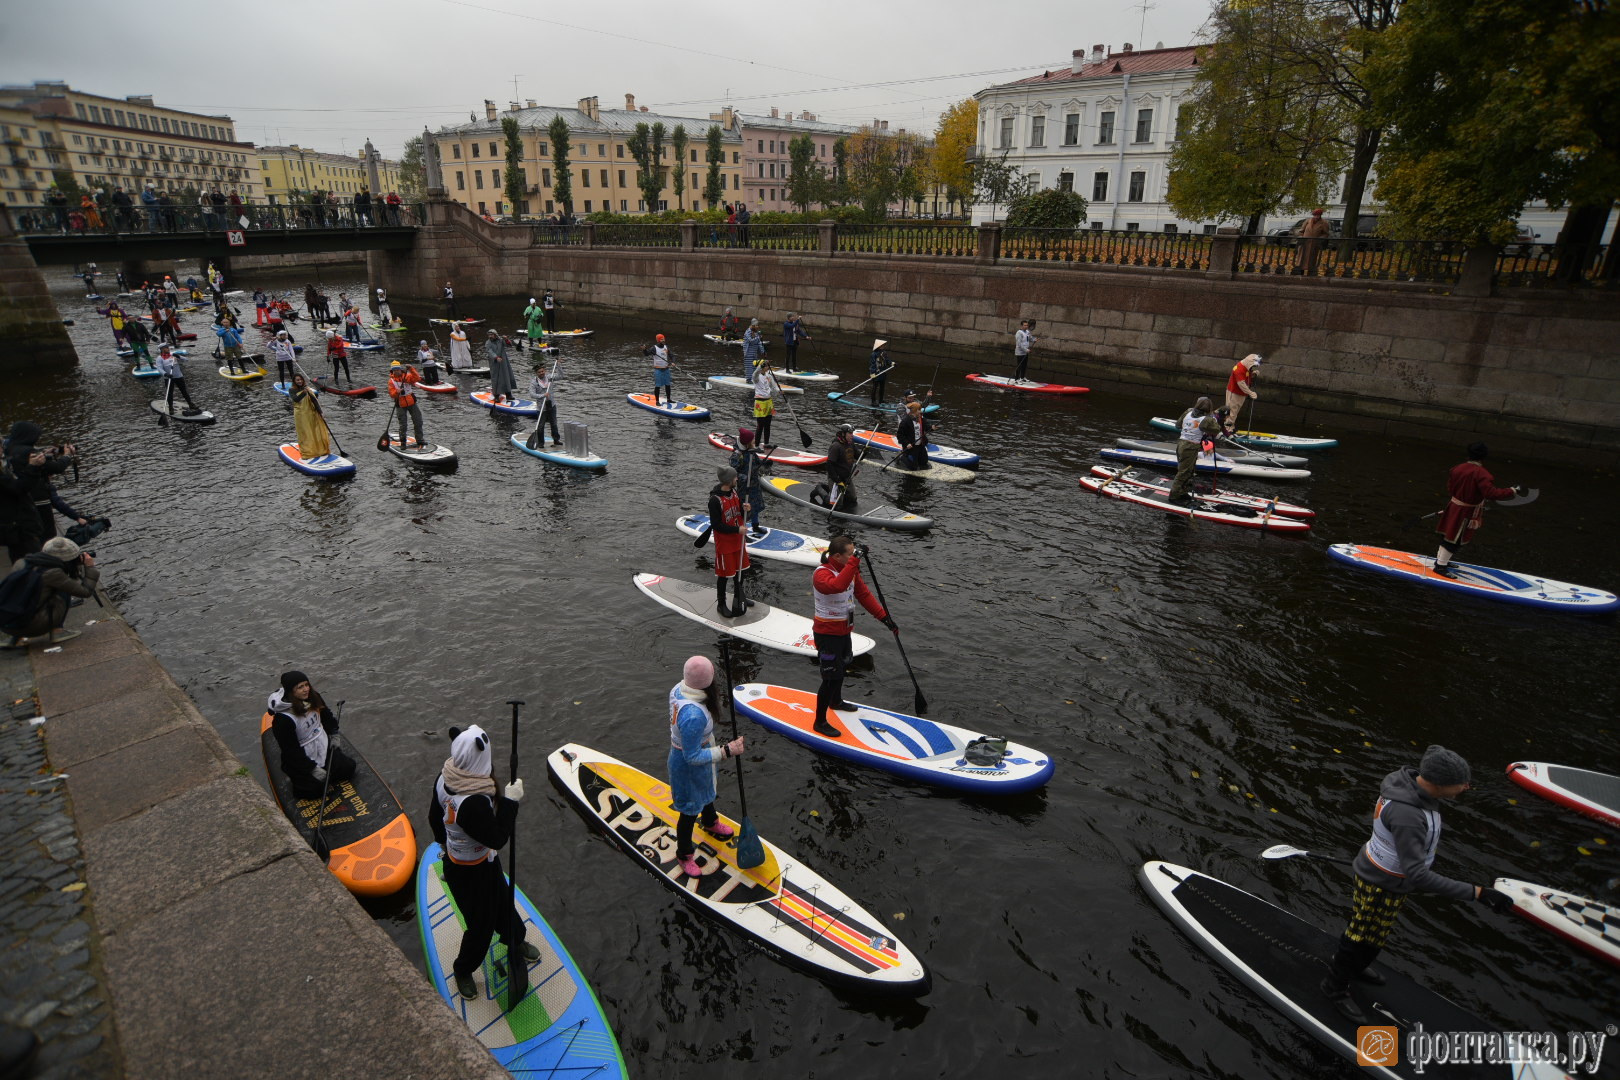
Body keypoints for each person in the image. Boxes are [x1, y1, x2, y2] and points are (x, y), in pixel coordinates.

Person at [1319, 745, 1515, 1020]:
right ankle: (1334, 986)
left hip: (1388, 879)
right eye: (1461, 783)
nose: (1466, 787)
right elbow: (1418, 876)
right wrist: (1478, 893)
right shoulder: (1409, 815)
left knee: (1376, 936)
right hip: (1380, 883)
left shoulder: (1409, 786)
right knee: (1361, 934)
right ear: (1438, 784)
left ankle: (1356, 966)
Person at [427, 725, 536, 1000]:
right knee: (480, 925)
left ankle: (514, 939)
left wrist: (444, 842)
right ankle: (463, 970)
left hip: (481, 862)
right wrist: (511, 802)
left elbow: (434, 817)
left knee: (502, 901)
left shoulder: (445, 776)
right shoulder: (472, 803)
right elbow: (498, 837)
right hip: (468, 872)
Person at [666, 655, 745, 879]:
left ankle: (710, 822)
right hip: (686, 764)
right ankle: (684, 854)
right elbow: (692, 757)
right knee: (689, 811)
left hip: (699, 751)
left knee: (707, 790)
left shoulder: (679, 688)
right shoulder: (692, 716)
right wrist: (727, 750)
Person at [810, 536, 893, 737]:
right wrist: (855, 563)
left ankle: (835, 701)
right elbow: (837, 586)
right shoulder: (821, 574)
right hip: (827, 634)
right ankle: (819, 722)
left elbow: (864, 595)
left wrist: (885, 618)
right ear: (837, 556)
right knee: (831, 677)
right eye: (850, 553)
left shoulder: (851, 572)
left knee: (844, 665)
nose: (854, 556)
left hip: (844, 631)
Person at [1433, 443, 1523, 579]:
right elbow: (1492, 494)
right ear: (1483, 457)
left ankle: (1441, 561)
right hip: (1465, 512)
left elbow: (1451, 489)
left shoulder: (1457, 468)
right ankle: (1440, 567)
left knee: (1448, 534)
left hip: (1453, 506)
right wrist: (1512, 490)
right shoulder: (1482, 474)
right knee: (1454, 539)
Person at [266, 671, 354, 798]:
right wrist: (312, 768)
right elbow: (291, 751)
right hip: (302, 756)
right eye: (300, 687)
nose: (305, 689)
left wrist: (334, 733)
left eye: (306, 685)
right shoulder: (283, 720)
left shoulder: (314, 697)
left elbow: (326, 716)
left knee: (348, 769)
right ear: (291, 691)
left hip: (322, 745)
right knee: (314, 791)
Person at [2, 537, 99, 649]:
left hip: (6, 623)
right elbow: (85, 592)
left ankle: (15, 638)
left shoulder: (22, 562)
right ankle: (58, 631)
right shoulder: (53, 573)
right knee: (63, 589)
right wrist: (90, 567)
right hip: (31, 626)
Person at [4, 425, 79, 546]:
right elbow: (56, 467)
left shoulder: (11, 450)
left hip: (20, 502)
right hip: (38, 498)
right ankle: (46, 557)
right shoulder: (28, 452)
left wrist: (45, 454)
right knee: (47, 534)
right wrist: (67, 455)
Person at [708, 466, 752, 618]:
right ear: (728, 480)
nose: (737, 479)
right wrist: (736, 530)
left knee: (741, 571)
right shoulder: (714, 501)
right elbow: (716, 525)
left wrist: (747, 509)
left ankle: (739, 595)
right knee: (724, 575)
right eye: (734, 478)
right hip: (725, 544)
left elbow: (740, 511)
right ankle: (721, 604)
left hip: (738, 541)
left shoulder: (734, 492)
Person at [1167, 396, 1223, 504]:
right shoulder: (1207, 419)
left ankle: (1183, 492)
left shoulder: (1188, 411)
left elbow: (1178, 425)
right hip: (1190, 447)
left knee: (1189, 470)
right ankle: (1174, 496)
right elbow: (1216, 429)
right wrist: (1212, 418)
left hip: (1181, 444)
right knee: (1184, 472)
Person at [730, 429, 767, 537]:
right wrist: (743, 477)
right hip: (744, 487)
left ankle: (755, 526)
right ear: (747, 443)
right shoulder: (737, 455)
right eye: (753, 439)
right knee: (745, 510)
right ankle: (742, 532)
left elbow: (756, 462)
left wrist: (764, 463)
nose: (755, 440)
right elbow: (732, 472)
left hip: (754, 484)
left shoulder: (752, 451)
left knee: (755, 506)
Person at [289, 374, 331, 458]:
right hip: (301, 414)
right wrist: (303, 393)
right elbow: (295, 399)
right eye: (297, 380)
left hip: (310, 412)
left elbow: (314, 401)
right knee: (305, 432)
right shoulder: (292, 390)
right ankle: (307, 451)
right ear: (294, 381)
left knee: (314, 431)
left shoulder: (307, 388)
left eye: (301, 379)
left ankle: (318, 450)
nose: (299, 381)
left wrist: (320, 412)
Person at [387, 361, 425, 448]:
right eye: (394, 370)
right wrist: (397, 392)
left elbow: (417, 378)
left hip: (411, 402)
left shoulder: (406, 376)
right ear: (392, 371)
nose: (396, 371)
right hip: (400, 404)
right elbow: (392, 394)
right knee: (403, 424)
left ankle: (420, 440)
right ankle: (403, 442)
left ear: (400, 369)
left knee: (418, 421)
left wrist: (411, 368)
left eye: (398, 369)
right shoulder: (391, 381)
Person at [157, 346, 202, 415]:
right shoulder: (159, 358)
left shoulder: (173, 355)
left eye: (168, 347)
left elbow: (186, 360)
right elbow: (159, 368)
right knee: (170, 393)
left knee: (184, 391)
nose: (168, 349)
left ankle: (191, 404)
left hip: (179, 376)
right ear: (162, 349)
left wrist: (179, 357)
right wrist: (165, 374)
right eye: (166, 348)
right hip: (169, 378)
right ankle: (171, 408)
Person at [825, 424, 861, 510]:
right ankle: (820, 490)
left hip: (847, 478)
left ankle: (839, 494)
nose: (852, 435)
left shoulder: (851, 443)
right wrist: (837, 481)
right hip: (836, 478)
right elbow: (829, 465)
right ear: (843, 434)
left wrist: (865, 451)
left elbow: (858, 456)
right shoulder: (836, 446)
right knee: (838, 505)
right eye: (850, 433)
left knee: (853, 499)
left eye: (852, 433)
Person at [526, 363, 561, 447]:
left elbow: (561, 376)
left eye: (542, 371)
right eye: (539, 372)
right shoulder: (534, 382)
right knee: (541, 426)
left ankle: (556, 440)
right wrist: (543, 395)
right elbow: (532, 394)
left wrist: (559, 366)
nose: (541, 373)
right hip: (541, 407)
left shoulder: (549, 377)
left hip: (551, 405)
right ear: (536, 373)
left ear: (544, 371)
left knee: (554, 424)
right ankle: (541, 443)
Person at [1224, 353, 1261, 433]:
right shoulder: (1239, 369)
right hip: (1234, 392)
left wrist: (1253, 374)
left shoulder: (1246, 367)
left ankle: (1231, 427)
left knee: (1235, 411)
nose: (1252, 368)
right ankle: (1227, 429)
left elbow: (1246, 376)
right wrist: (1251, 393)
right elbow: (1241, 383)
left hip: (1241, 393)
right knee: (1231, 411)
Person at [750, 355, 779, 447]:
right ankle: (757, 445)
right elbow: (755, 373)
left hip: (769, 402)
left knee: (768, 424)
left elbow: (774, 387)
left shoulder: (768, 375)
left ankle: (766, 443)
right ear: (762, 367)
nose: (767, 367)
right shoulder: (756, 377)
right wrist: (762, 364)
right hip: (760, 402)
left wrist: (778, 392)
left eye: (767, 365)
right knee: (760, 426)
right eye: (766, 365)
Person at [897, 400, 931, 471]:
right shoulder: (905, 421)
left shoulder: (921, 419)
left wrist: (932, 428)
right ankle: (903, 457)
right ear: (914, 411)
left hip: (920, 445)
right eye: (919, 410)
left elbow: (928, 427)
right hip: (911, 446)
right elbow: (900, 435)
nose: (920, 411)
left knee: (924, 463)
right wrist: (906, 443)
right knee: (913, 467)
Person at [1298, 208, 1331, 276]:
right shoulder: (1308, 221)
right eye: (1315, 215)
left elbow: (1326, 234)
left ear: (1320, 215)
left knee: (1311, 259)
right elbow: (1301, 231)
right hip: (1305, 243)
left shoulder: (1324, 223)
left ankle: (1310, 274)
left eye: (1318, 215)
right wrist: (1301, 237)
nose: (1316, 216)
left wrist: (1319, 239)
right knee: (1302, 258)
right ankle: (1300, 272)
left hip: (1314, 244)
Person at [486, 330, 516, 404]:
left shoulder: (500, 340)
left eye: (491, 335)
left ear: (495, 335)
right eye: (489, 335)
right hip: (495, 363)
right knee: (496, 379)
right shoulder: (488, 343)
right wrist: (496, 357)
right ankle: (496, 396)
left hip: (504, 362)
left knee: (506, 377)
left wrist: (506, 339)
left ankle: (508, 394)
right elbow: (489, 351)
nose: (490, 336)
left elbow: (509, 345)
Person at [647, 333, 674, 406]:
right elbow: (647, 353)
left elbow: (671, 355)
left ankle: (669, 399)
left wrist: (672, 362)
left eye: (663, 339)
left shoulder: (666, 347)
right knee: (658, 386)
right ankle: (657, 401)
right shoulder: (654, 348)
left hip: (666, 369)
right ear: (658, 340)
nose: (663, 340)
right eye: (662, 339)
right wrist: (644, 350)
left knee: (668, 385)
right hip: (658, 370)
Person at [868, 339, 890, 406]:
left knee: (882, 387)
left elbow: (887, 360)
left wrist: (892, 363)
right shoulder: (873, 354)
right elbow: (872, 364)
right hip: (876, 373)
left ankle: (881, 400)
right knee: (875, 387)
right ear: (879, 346)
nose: (884, 346)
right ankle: (873, 401)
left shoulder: (884, 353)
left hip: (883, 372)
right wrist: (872, 373)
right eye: (882, 345)